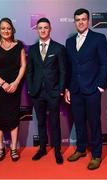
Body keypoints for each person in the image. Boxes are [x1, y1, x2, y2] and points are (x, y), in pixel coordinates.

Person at [65, 8, 107, 170]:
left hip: (92, 89)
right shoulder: (69, 42)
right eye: (78, 19)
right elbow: (69, 67)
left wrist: (99, 86)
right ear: (75, 22)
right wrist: (68, 89)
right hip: (75, 90)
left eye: (84, 19)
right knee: (79, 122)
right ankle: (81, 149)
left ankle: (97, 154)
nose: (81, 22)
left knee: (94, 123)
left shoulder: (98, 38)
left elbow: (105, 64)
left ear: (89, 21)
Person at [0, 17, 26, 161]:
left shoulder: (19, 45)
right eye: (3, 28)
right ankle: (1, 148)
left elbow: (23, 66)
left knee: (14, 116)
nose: (6, 31)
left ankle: (14, 148)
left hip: (14, 87)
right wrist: (3, 83)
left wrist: (15, 83)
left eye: (8, 28)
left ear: (12, 29)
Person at [26, 17, 66, 164]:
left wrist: (61, 90)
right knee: (41, 122)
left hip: (53, 92)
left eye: (45, 27)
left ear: (50, 29)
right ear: (37, 30)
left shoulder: (59, 48)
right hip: (37, 93)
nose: (43, 30)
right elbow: (29, 71)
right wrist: (30, 89)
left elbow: (63, 71)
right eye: (40, 28)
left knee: (55, 122)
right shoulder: (32, 49)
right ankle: (42, 148)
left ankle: (57, 151)